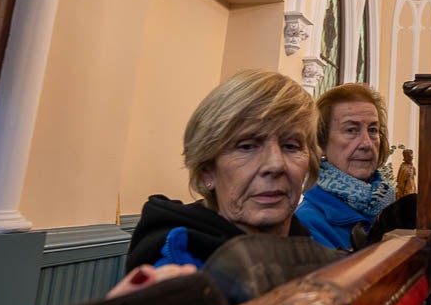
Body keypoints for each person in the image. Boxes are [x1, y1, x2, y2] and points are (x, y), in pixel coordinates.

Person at [125, 69, 321, 271]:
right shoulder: (178, 265)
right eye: (247, 146)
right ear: (206, 172)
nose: (275, 165)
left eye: (291, 146)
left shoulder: (316, 253)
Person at [297, 82, 396, 250]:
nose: (366, 143)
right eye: (351, 130)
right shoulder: (307, 225)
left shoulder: (391, 209)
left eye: (373, 130)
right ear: (321, 142)